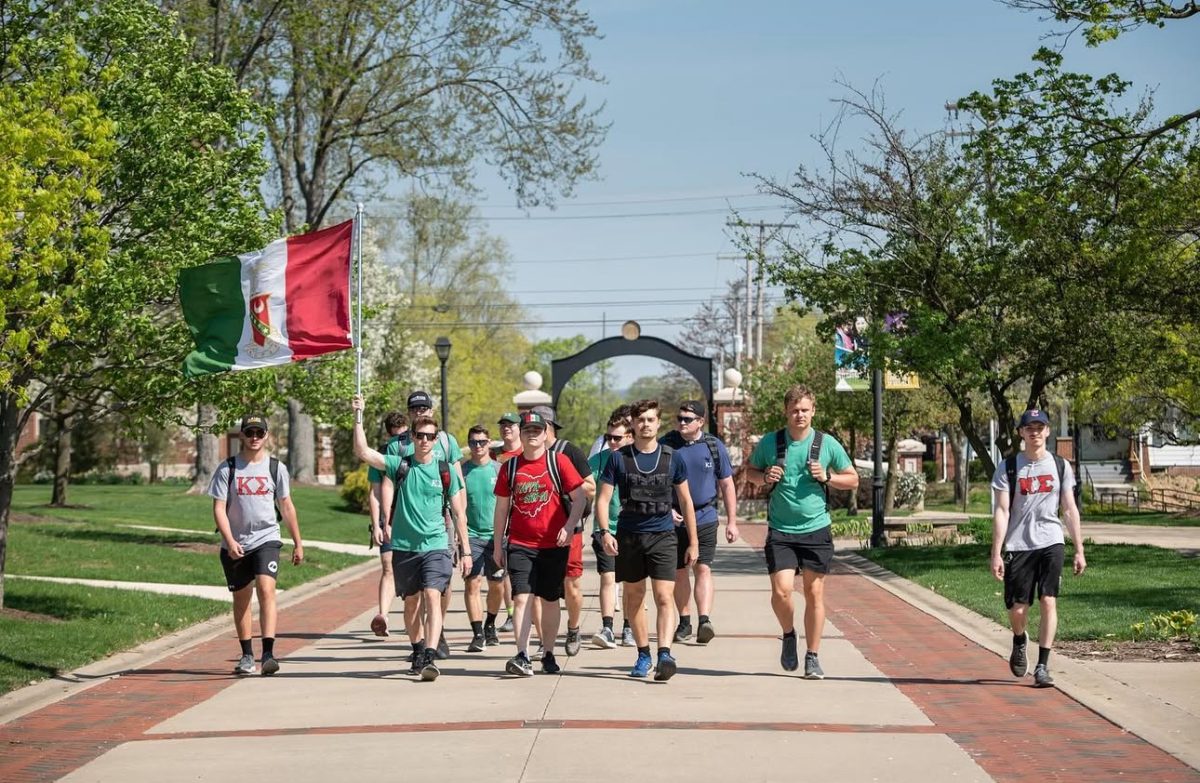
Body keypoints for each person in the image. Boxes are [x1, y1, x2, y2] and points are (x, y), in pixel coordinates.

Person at [352, 395, 471, 681]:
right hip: (406, 547)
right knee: (411, 602)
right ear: (413, 436)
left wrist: (465, 550)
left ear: (436, 437)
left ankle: (430, 654)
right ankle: (417, 648)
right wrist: (358, 415)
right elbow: (364, 452)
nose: (425, 441)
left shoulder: (445, 471)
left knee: (433, 594)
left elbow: (459, 513)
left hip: (436, 545)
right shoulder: (398, 464)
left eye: (430, 436)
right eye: (420, 436)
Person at [746, 384, 858, 680]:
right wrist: (764, 476)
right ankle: (788, 633)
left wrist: (829, 476)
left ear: (813, 411)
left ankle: (813, 656)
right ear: (786, 411)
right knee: (782, 591)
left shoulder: (827, 444)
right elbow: (750, 473)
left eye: (805, 410)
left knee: (814, 592)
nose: (800, 415)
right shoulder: (771, 443)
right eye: (794, 410)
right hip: (781, 529)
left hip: (816, 528)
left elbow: (853, 480)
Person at [596, 399, 697, 681]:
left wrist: (693, 542)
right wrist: (605, 532)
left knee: (664, 596)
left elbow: (686, 501)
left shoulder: (672, 457)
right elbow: (602, 499)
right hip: (629, 536)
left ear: (658, 423)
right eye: (640, 420)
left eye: (651, 419)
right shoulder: (618, 458)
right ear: (634, 424)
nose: (645, 424)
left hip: (663, 534)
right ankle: (643, 654)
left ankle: (665, 653)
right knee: (634, 597)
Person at [990, 408, 1086, 689]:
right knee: (1018, 610)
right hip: (1019, 544)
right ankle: (1020, 639)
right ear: (1021, 432)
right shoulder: (1008, 467)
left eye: (1039, 427)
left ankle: (1043, 666)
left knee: (1048, 600)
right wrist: (996, 552)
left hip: (1051, 541)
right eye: (1029, 427)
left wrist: (1079, 548)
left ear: (1047, 431)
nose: (1034, 432)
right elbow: (1002, 512)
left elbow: (1069, 509)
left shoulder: (1060, 466)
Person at [209, 414, 304, 676]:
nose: (254, 437)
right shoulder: (227, 468)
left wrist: (298, 542)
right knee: (242, 599)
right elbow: (218, 509)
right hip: (236, 543)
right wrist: (229, 541)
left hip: (267, 539)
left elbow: (286, 505)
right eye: (249, 432)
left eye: (259, 433)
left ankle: (269, 654)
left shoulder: (276, 468)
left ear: (266, 436)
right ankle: (247, 655)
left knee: (266, 588)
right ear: (241, 435)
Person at [492, 411, 586, 677]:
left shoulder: (559, 462)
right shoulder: (510, 467)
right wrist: (498, 545)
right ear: (520, 434)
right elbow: (501, 509)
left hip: (553, 544)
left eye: (537, 430)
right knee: (521, 597)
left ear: (546, 434)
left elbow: (579, 499)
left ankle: (547, 653)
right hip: (520, 543)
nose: (532, 434)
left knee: (549, 600)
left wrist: (569, 527)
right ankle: (522, 655)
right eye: (527, 430)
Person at [660, 400, 739, 644]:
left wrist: (732, 522)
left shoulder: (714, 446)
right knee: (679, 571)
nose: (682, 423)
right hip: (674, 518)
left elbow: (727, 484)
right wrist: (665, 509)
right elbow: (656, 481)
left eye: (688, 419)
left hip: (705, 515)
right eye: (679, 418)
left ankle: (704, 620)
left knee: (703, 567)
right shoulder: (666, 445)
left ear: (701, 422)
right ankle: (684, 623)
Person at [395, 389, 466, 659]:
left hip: (442, 522)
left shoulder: (447, 442)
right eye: (414, 409)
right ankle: (421, 642)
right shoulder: (399, 445)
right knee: (415, 597)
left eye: (423, 408)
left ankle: (438, 633)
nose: (419, 412)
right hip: (409, 529)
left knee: (438, 588)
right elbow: (385, 484)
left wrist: (462, 530)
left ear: (432, 411)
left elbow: (458, 486)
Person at [531, 404, 595, 658]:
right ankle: (542, 640)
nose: (531, 432)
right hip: (537, 531)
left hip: (569, 528)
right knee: (536, 589)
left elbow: (590, 487)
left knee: (571, 584)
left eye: (536, 427)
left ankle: (573, 629)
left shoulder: (569, 452)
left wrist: (564, 484)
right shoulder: (529, 455)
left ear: (547, 428)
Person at [588, 411, 631, 649]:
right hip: (604, 528)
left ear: (629, 437)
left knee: (631, 581)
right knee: (609, 577)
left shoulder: (637, 459)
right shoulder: (599, 460)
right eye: (609, 437)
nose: (612, 442)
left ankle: (628, 627)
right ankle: (607, 627)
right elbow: (585, 484)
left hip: (633, 527)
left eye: (617, 438)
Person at [462, 425, 504, 651]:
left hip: (496, 537)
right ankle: (477, 633)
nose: (477, 446)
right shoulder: (463, 471)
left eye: (481, 442)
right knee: (473, 583)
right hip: (471, 536)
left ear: (489, 443)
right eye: (473, 443)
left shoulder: (499, 470)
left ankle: (490, 624)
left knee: (497, 585)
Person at [366, 410, 407, 636]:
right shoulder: (381, 457)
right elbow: (375, 492)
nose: (398, 442)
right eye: (394, 437)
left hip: (412, 519)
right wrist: (377, 524)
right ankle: (383, 615)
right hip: (388, 519)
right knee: (388, 566)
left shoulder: (415, 451)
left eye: (402, 436)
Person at [493, 411, 522, 632]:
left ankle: (527, 611)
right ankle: (512, 614)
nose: (506, 428)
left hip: (524, 517)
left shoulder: (527, 452)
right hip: (502, 517)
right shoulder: (494, 455)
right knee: (504, 572)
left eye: (511, 425)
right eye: (503, 425)